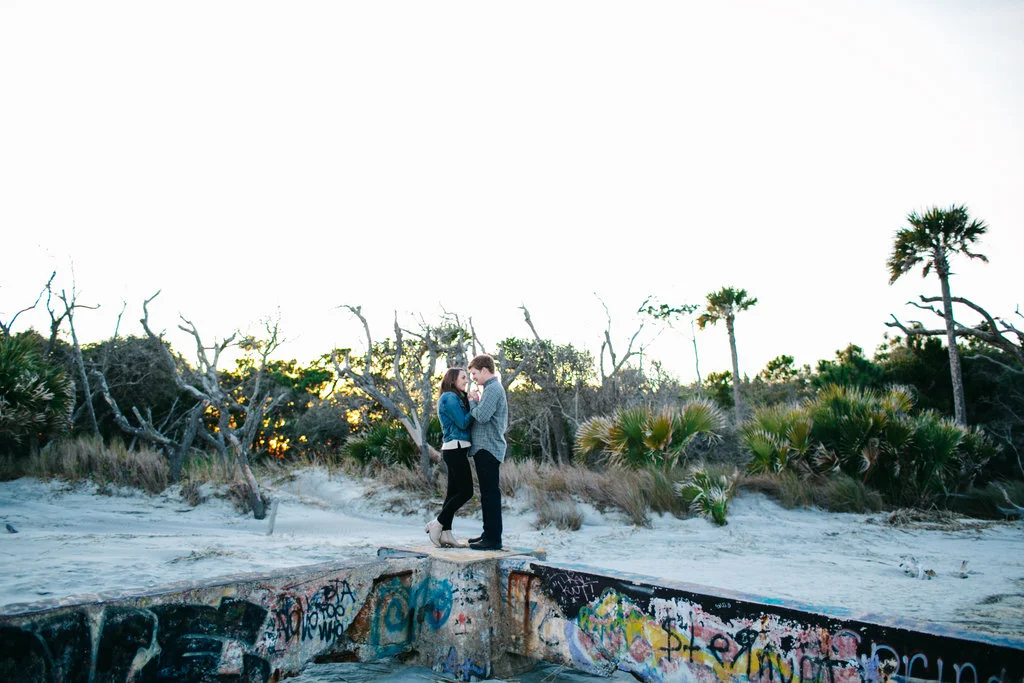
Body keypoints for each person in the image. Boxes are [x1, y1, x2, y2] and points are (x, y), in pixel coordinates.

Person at [425, 367, 475, 548]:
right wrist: (474, 406)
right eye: (463, 377)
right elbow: (462, 423)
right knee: (466, 491)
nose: (466, 380)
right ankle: (437, 523)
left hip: (457, 448)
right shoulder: (449, 397)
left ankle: (446, 534)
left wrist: (469, 401)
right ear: (453, 380)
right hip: (455, 448)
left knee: (453, 493)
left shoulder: (457, 397)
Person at [466, 353, 508, 550]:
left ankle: (493, 540)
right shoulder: (490, 389)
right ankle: (488, 534)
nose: (473, 378)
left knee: (490, 494)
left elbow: (481, 416)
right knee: (487, 494)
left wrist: (473, 400)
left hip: (488, 448)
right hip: (486, 448)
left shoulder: (493, 390)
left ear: (484, 370)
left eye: (474, 373)